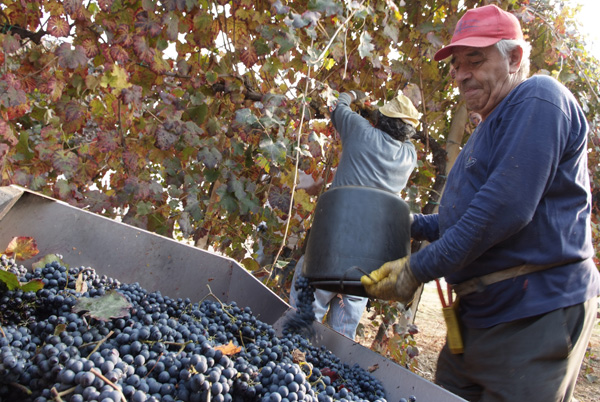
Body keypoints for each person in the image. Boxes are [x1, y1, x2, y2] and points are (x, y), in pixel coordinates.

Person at [361, 4, 600, 401]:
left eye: (475, 59)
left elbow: (502, 210)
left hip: (534, 312)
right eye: (456, 65)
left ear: (515, 58)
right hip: (479, 314)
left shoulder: (540, 98)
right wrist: (402, 221)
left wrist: (416, 268)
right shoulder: (488, 129)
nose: (461, 74)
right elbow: (462, 219)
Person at [290, 89, 420, 340]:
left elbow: (338, 106)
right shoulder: (409, 156)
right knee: (343, 334)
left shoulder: (359, 130)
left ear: (380, 119)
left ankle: (293, 360)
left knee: (303, 315)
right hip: (369, 260)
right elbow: (400, 133)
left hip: (332, 248)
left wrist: (354, 94)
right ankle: (332, 372)